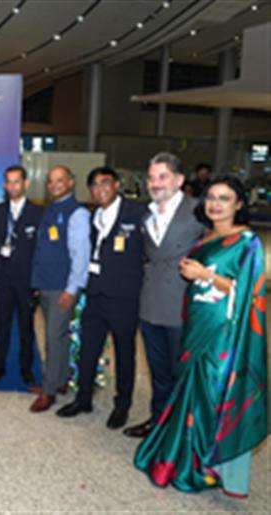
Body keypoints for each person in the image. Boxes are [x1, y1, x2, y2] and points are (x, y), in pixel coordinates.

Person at [135, 176, 267, 498]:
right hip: (196, 324)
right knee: (191, 391)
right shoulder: (207, 237)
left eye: (225, 198)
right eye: (211, 197)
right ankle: (186, 457)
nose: (215, 204)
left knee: (214, 394)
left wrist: (205, 274)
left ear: (239, 204)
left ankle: (213, 466)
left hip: (223, 332)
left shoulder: (247, 241)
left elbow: (250, 290)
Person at [56, 167, 146, 429]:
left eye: (105, 183)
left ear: (116, 184)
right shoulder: (93, 215)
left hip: (124, 297)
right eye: (94, 185)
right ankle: (83, 399)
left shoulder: (137, 213)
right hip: (95, 295)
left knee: (124, 353)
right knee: (88, 350)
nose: (99, 189)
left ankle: (122, 405)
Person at [124, 153, 204, 438]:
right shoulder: (147, 214)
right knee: (158, 372)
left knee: (182, 373)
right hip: (150, 303)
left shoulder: (198, 211)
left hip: (182, 305)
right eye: (151, 177)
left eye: (162, 176)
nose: (155, 183)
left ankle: (183, 432)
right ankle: (159, 423)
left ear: (179, 180)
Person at [30, 166, 91, 413]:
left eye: (59, 180)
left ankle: (49, 391)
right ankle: (61, 379)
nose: (54, 185)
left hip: (62, 288)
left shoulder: (77, 213)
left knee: (52, 338)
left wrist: (72, 289)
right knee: (60, 336)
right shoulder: (51, 209)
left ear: (71, 182)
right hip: (45, 283)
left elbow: (81, 255)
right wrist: (37, 282)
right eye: (50, 181)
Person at [0, 166, 43, 385]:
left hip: (27, 281)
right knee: (1, 325)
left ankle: (26, 368)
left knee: (26, 328)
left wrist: (37, 282)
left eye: (17, 181)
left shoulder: (38, 212)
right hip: (3, 279)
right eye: (9, 182)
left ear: (25, 184)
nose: (12, 186)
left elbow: (41, 250)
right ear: (4, 185)